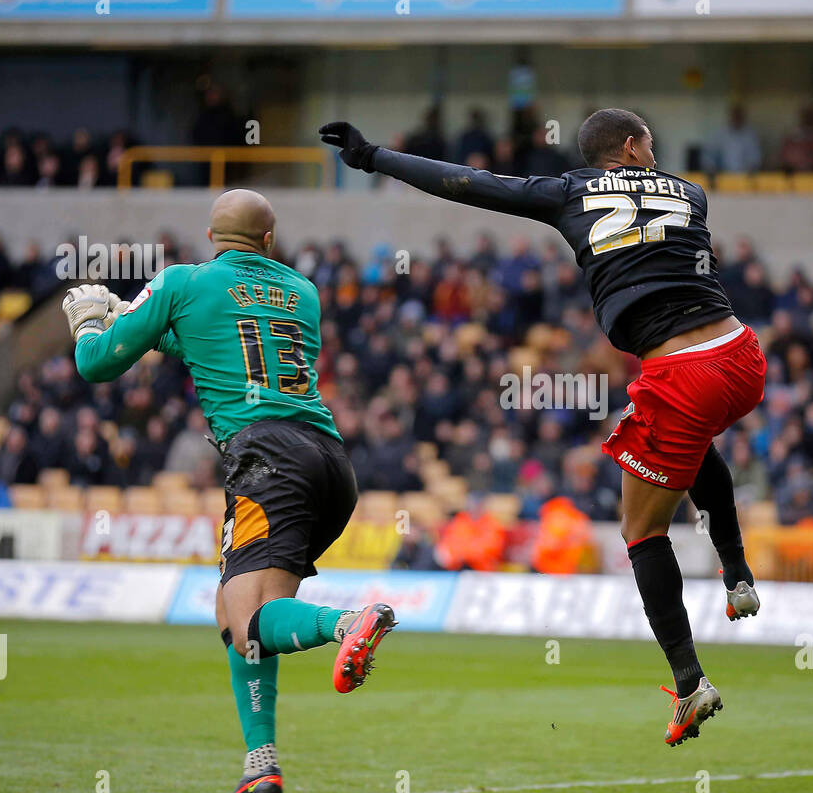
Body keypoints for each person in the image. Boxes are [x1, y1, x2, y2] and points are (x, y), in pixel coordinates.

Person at [320, 109, 767, 746]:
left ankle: (691, 684)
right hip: (741, 357)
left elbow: (467, 183)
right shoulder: (690, 193)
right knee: (695, 441)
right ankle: (737, 575)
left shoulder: (569, 193)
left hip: (679, 372)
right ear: (637, 146)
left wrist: (374, 157)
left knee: (641, 533)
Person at [62, 189, 396, 793]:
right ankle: (259, 768)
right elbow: (213, 342)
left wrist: (91, 321)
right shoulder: (303, 292)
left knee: (247, 619)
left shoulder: (183, 281)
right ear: (269, 241)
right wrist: (147, 320)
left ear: (211, 239)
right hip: (329, 461)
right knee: (237, 615)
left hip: (266, 463)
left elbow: (98, 366)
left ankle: (350, 623)